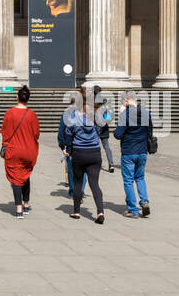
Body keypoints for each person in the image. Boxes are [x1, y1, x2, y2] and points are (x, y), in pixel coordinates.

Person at [62, 90, 105, 223]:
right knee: (94, 184)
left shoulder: (72, 117)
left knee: (78, 182)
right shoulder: (95, 116)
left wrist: (67, 149)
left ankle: (76, 211)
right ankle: (100, 211)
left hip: (79, 152)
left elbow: (68, 134)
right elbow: (101, 128)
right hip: (94, 152)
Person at [0, 86, 41, 218]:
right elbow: (36, 134)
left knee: (16, 178)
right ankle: (26, 204)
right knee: (26, 175)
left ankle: (19, 209)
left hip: (14, 150)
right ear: (28, 99)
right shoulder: (32, 115)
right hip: (29, 150)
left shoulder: (10, 113)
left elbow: (4, 132)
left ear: (17, 97)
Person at [114, 94, 154, 217]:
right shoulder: (146, 113)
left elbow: (118, 134)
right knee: (140, 177)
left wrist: (121, 116)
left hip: (129, 151)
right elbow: (150, 131)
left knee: (128, 180)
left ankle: (133, 209)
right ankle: (144, 201)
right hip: (142, 150)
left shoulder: (124, 115)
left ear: (126, 101)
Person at [95, 95, 116, 173]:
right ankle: (111, 164)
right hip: (104, 130)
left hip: (96, 130)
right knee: (107, 147)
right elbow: (108, 120)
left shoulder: (96, 110)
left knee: (96, 148)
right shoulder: (106, 110)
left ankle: (96, 164)